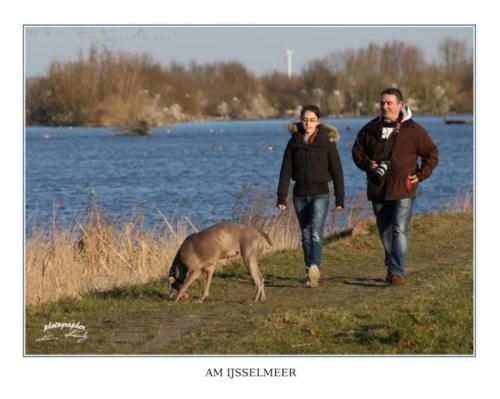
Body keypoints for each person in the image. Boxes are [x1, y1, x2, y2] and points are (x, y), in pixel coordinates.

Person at [352, 87, 438, 284]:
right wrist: (367, 164)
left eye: (389, 103)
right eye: (382, 102)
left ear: (400, 105)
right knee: (384, 230)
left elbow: (431, 154)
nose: (385, 106)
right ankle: (392, 263)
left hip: (404, 188)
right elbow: (357, 151)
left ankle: (396, 271)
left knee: (399, 229)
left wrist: (421, 175)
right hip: (377, 188)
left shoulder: (415, 130)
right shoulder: (370, 129)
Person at [277, 105, 345, 288]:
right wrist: (281, 197)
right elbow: (285, 170)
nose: (308, 123)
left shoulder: (327, 142)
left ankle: (315, 266)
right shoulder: (294, 142)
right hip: (299, 194)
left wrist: (340, 197)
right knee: (306, 234)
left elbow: (337, 170)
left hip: (320, 194)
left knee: (315, 231)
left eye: (312, 120)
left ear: (319, 121)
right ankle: (310, 272)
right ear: (300, 119)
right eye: (305, 119)